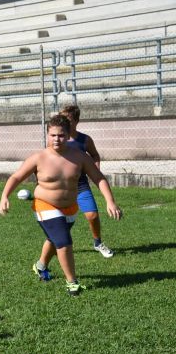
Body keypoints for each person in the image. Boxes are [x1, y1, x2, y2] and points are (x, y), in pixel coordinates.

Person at [0, 115, 122, 296]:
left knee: (54, 238)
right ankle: (72, 282)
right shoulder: (38, 157)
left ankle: (40, 266)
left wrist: (110, 201)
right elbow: (16, 177)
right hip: (44, 205)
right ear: (47, 135)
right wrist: (4, 196)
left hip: (70, 207)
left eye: (61, 135)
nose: (57, 139)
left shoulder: (79, 157)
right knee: (63, 241)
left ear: (68, 135)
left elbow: (99, 178)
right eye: (53, 135)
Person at [60, 105, 114, 258]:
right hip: (62, 188)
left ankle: (98, 243)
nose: (64, 123)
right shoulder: (57, 140)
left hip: (81, 185)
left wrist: (95, 168)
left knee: (93, 216)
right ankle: (58, 245)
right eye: (62, 119)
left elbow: (95, 155)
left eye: (68, 120)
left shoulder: (85, 140)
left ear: (76, 121)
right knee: (60, 221)